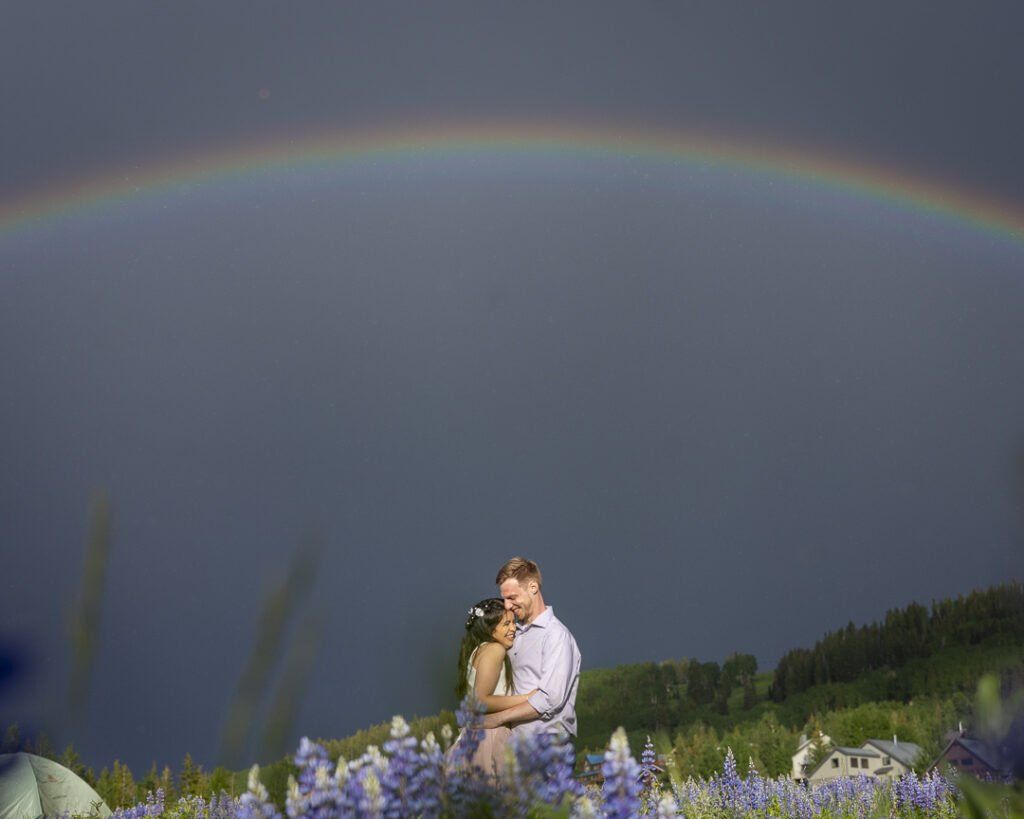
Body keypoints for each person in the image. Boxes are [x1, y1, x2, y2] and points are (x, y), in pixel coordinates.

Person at [483, 558, 581, 762]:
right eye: (504, 600)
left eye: (512, 597)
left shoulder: (556, 635)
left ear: (533, 587)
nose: (507, 605)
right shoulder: (513, 634)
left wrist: (497, 718)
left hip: (549, 744)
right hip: (516, 744)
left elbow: (549, 699)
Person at [452, 597, 537, 777]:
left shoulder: (478, 650)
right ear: (490, 628)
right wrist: (528, 697)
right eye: (506, 624)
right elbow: (480, 700)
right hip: (490, 737)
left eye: (513, 623)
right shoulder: (494, 649)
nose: (513, 628)